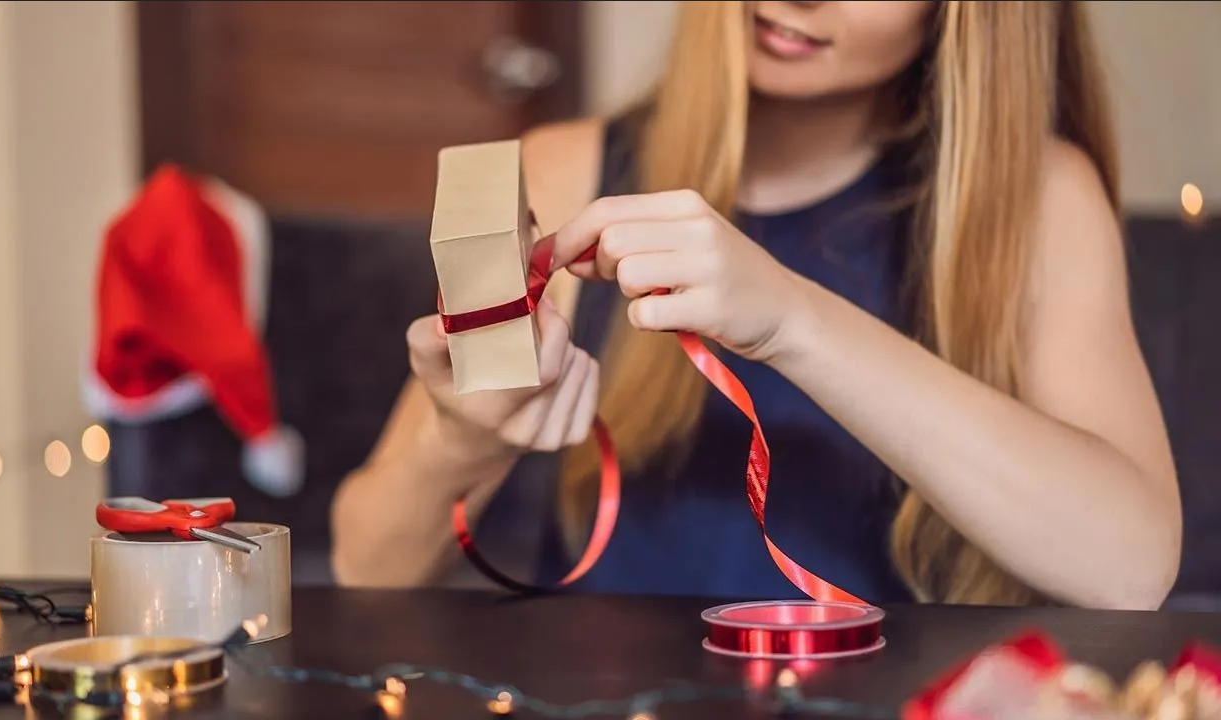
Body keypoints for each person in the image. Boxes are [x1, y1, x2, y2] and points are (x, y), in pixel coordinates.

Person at [331, 0, 1181, 610]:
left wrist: (792, 320)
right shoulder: (560, 172)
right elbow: (367, 568)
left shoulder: (1035, 202)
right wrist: (460, 439)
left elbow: (1131, 567)